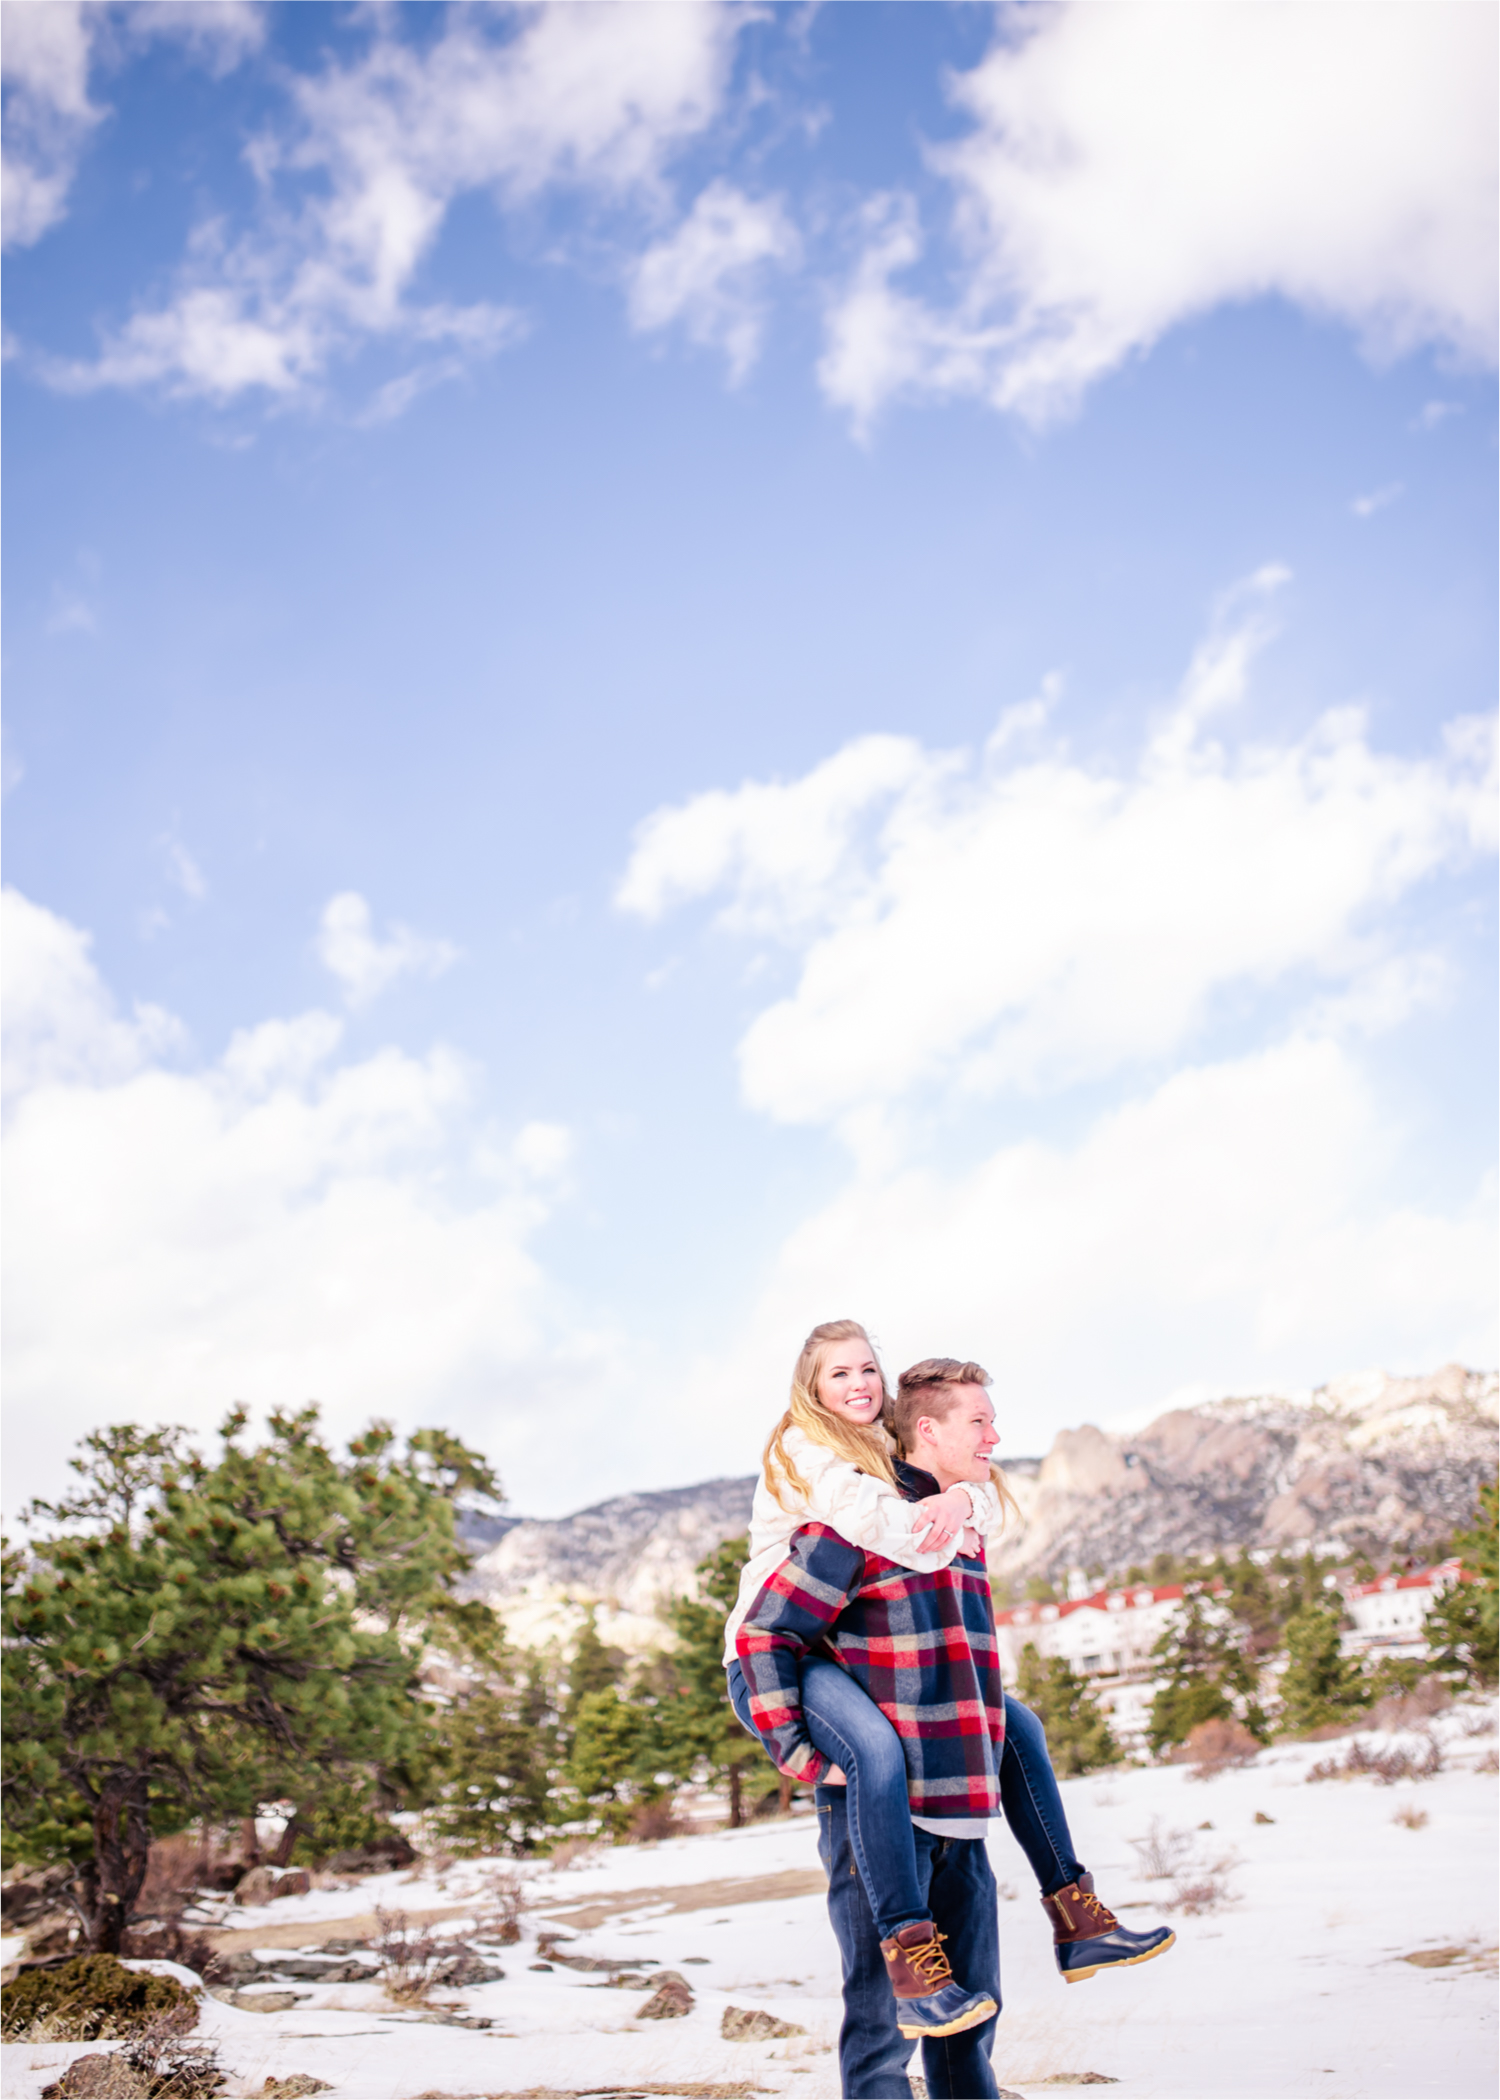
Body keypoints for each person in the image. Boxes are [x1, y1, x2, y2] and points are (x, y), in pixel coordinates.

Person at [724, 1332, 1173, 2078]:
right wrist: (798, 1751)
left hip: (953, 1793)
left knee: (971, 2012)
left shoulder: (958, 1525)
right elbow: (771, 1633)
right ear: (928, 1430)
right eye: (979, 1423)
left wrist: (965, 1495)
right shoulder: (849, 1520)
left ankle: (1074, 1912)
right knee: (881, 2014)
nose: (996, 1437)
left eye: (868, 1368)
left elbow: (960, 1657)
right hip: (875, 1795)